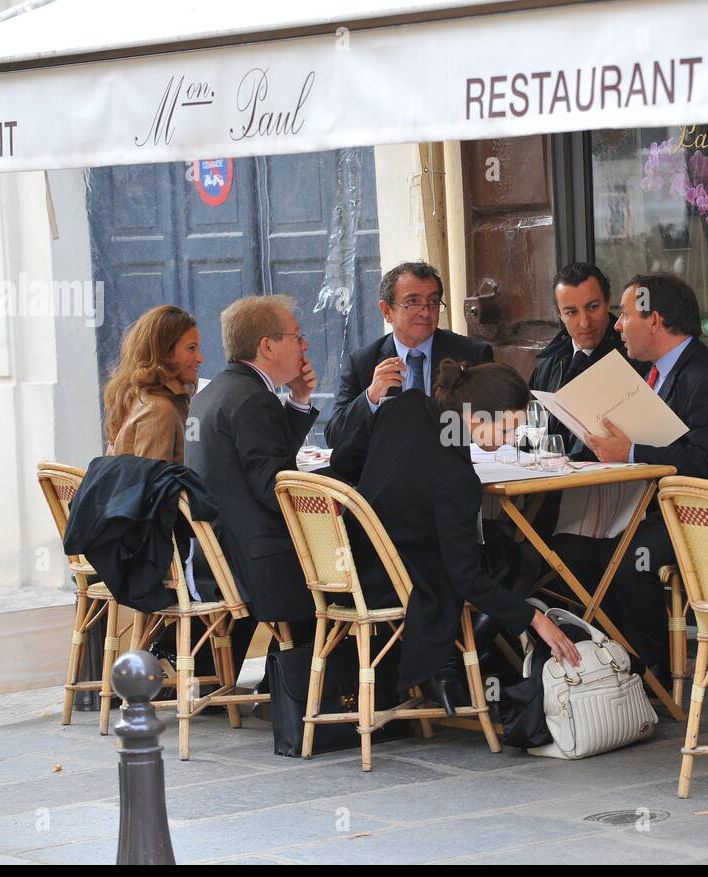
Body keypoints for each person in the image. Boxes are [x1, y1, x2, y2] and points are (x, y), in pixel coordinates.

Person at [330, 359, 581, 714]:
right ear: (478, 420)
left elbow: (342, 461)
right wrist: (534, 618)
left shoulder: (407, 404)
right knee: (515, 557)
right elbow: (465, 577)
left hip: (353, 560)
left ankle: (453, 662)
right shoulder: (457, 479)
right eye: (508, 431)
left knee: (500, 544)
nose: (512, 440)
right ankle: (453, 661)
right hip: (395, 578)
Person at [553, 272, 708, 679]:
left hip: (698, 515)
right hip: (645, 505)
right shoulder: (651, 373)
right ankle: (606, 663)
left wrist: (632, 452)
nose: (617, 325)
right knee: (569, 550)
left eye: (624, 315)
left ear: (654, 320)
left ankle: (648, 670)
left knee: (627, 563)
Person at [185, 295, 320, 675]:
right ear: (267, 346)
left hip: (218, 554)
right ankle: (309, 688)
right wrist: (333, 492)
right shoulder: (252, 399)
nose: (305, 345)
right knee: (358, 562)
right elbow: (273, 487)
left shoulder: (216, 392)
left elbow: (264, 461)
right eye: (297, 336)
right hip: (258, 562)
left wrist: (299, 400)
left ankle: (282, 682)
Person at [322, 261, 493, 447]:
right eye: (412, 302)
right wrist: (370, 397)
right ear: (387, 311)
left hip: (457, 469)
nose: (426, 312)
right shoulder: (363, 363)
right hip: (388, 472)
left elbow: (496, 426)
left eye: (433, 301)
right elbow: (335, 437)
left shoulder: (472, 355)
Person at [529, 262, 640, 457]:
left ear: (608, 301)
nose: (585, 322)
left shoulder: (634, 357)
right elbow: (529, 438)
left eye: (593, 307)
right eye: (571, 312)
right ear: (559, 314)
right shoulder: (547, 363)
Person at [103, 305, 203, 464]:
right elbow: (155, 486)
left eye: (198, 348)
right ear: (164, 353)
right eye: (191, 349)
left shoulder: (137, 396)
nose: (200, 358)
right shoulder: (158, 409)